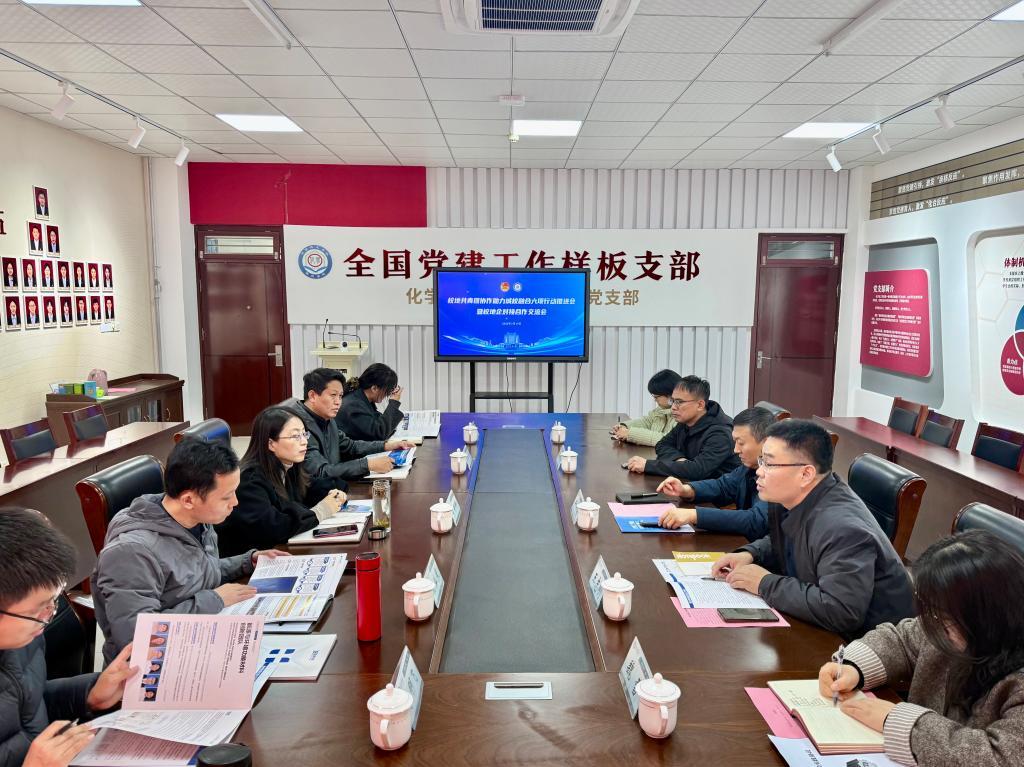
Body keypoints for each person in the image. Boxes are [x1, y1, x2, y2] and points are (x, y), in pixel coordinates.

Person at [818, 530, 1024, 767]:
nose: (934, 623)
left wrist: (896, 721)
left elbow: (1000, 757)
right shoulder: (952, 626)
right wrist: (853, 668)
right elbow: (902, 639)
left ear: (987, 616)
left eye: (944, 617)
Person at [712, 419, 914, 639]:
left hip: (864, 645)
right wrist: (751, 553)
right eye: (762, 460)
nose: (759, 471)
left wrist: (764, 583)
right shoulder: (794, 496)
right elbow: (787, 537)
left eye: (769, 464)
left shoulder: (843, 528)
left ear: (806, 474)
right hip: (820, 622)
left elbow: (841, 611)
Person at [91, 438, 288, 664]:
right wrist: (214, 600)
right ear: (188, 500)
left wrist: (246, 561)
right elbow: (138, 637)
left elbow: (193, 572)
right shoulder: (130, 553)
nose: (235, 502)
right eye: (226, 496)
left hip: (197, 641)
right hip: (154, 667)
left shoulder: (196, 519)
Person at [0, 508, 137, 767]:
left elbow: (28, 708)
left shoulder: (23, 637)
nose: (49, 615)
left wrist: (90, 695)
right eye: (37, 610)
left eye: (53, 601)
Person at [215, 407, 346, 557]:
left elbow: (309, 489)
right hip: (248, 562)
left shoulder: (287, 465)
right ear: (271, 443)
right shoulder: (249, 481)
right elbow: (274, 528)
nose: (304, 442)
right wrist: (321, 511)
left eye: (304, 434)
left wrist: (334, 494)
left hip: (275, 552)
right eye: (295, 436)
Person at [285, 368, 414, 505]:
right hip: (309, 503)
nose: (338, 402)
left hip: (332, 492)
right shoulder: (297, 425)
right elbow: (320, 472)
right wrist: (368, 464)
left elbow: (350, 446)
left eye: (340, 396)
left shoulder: (325, 417)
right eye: (333, 395)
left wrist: (386, 445)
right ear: (312, 396)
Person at [656, 406, 775, 541]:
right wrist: (686, 490)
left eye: (741, 443)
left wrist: (695, 515)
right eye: (735, 442)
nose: (736, 450)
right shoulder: (750, 466)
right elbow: (724, 486)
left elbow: (756, 520)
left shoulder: (779, 474)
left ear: (766, 442)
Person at [626, 375, 740, 481]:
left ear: (700, 405)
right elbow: (662, 445)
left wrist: (648, 465)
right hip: (690, 484)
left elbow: (698, 470)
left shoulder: (720, 432)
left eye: (679, 402)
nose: (673, 407)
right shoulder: (686, 420)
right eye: (673, 401)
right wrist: (679, 461)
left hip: (720, 492)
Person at [610, 369, 682, 446]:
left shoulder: (681, 414)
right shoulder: (662, 410)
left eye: (656, 397)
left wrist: (630, 434)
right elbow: (647, 421)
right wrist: (625, 426)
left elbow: (667, 439)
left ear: (670, 395)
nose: (655, 400)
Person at [336, 363, 405, 442]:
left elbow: (379, 424)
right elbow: (379, 434)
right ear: (374, 388)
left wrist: (393, 416)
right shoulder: (354, 405)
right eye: (388, 389)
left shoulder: (361, 399)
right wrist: (394, 403)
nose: (389, 394)